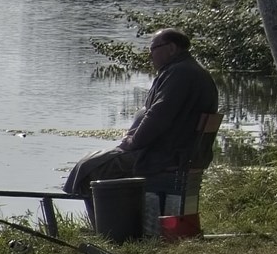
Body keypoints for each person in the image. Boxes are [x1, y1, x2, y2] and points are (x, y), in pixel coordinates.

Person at [65, 26, 220, 206]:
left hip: (166, 156)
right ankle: (120, 224)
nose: (150, 55)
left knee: (90, 169)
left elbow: (159, 115)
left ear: (171, 48)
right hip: (179, 151)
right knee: (93, 162)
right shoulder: (188, 70)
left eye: (153, 49)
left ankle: (109, 228)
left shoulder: (180, 73)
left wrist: (134, 141)